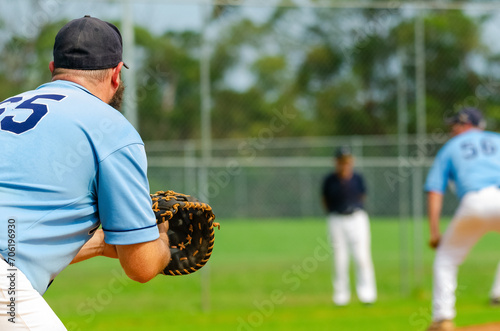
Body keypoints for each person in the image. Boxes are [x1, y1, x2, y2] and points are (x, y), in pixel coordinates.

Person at [0, 16, 171, 330]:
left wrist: (106, 243)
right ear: (116, 75)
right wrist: (161, 243)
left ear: (53, 70)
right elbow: (142, 266)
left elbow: (14, 237)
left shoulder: (5, 107)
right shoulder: (112, 128)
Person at [424, 107, 500, 331]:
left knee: (446, 258)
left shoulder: (450, 147)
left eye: (454, 125)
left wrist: (435, 232)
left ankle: (443, 318)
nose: (451, 129)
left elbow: (434, 190)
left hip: (475, 201)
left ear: (465, 125)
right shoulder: (496, 139)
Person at [321, 146, 377, 306]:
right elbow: (324, 200)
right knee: (340, 258)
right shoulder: (329, 180)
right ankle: (341, 296)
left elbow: (362, 196)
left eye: (347, 161)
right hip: (337, 218)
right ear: (336, 162)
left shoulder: (357, 178)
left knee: (362, 256)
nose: (344, 164)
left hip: (357, 218)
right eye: (341, 161)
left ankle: (367, 295)